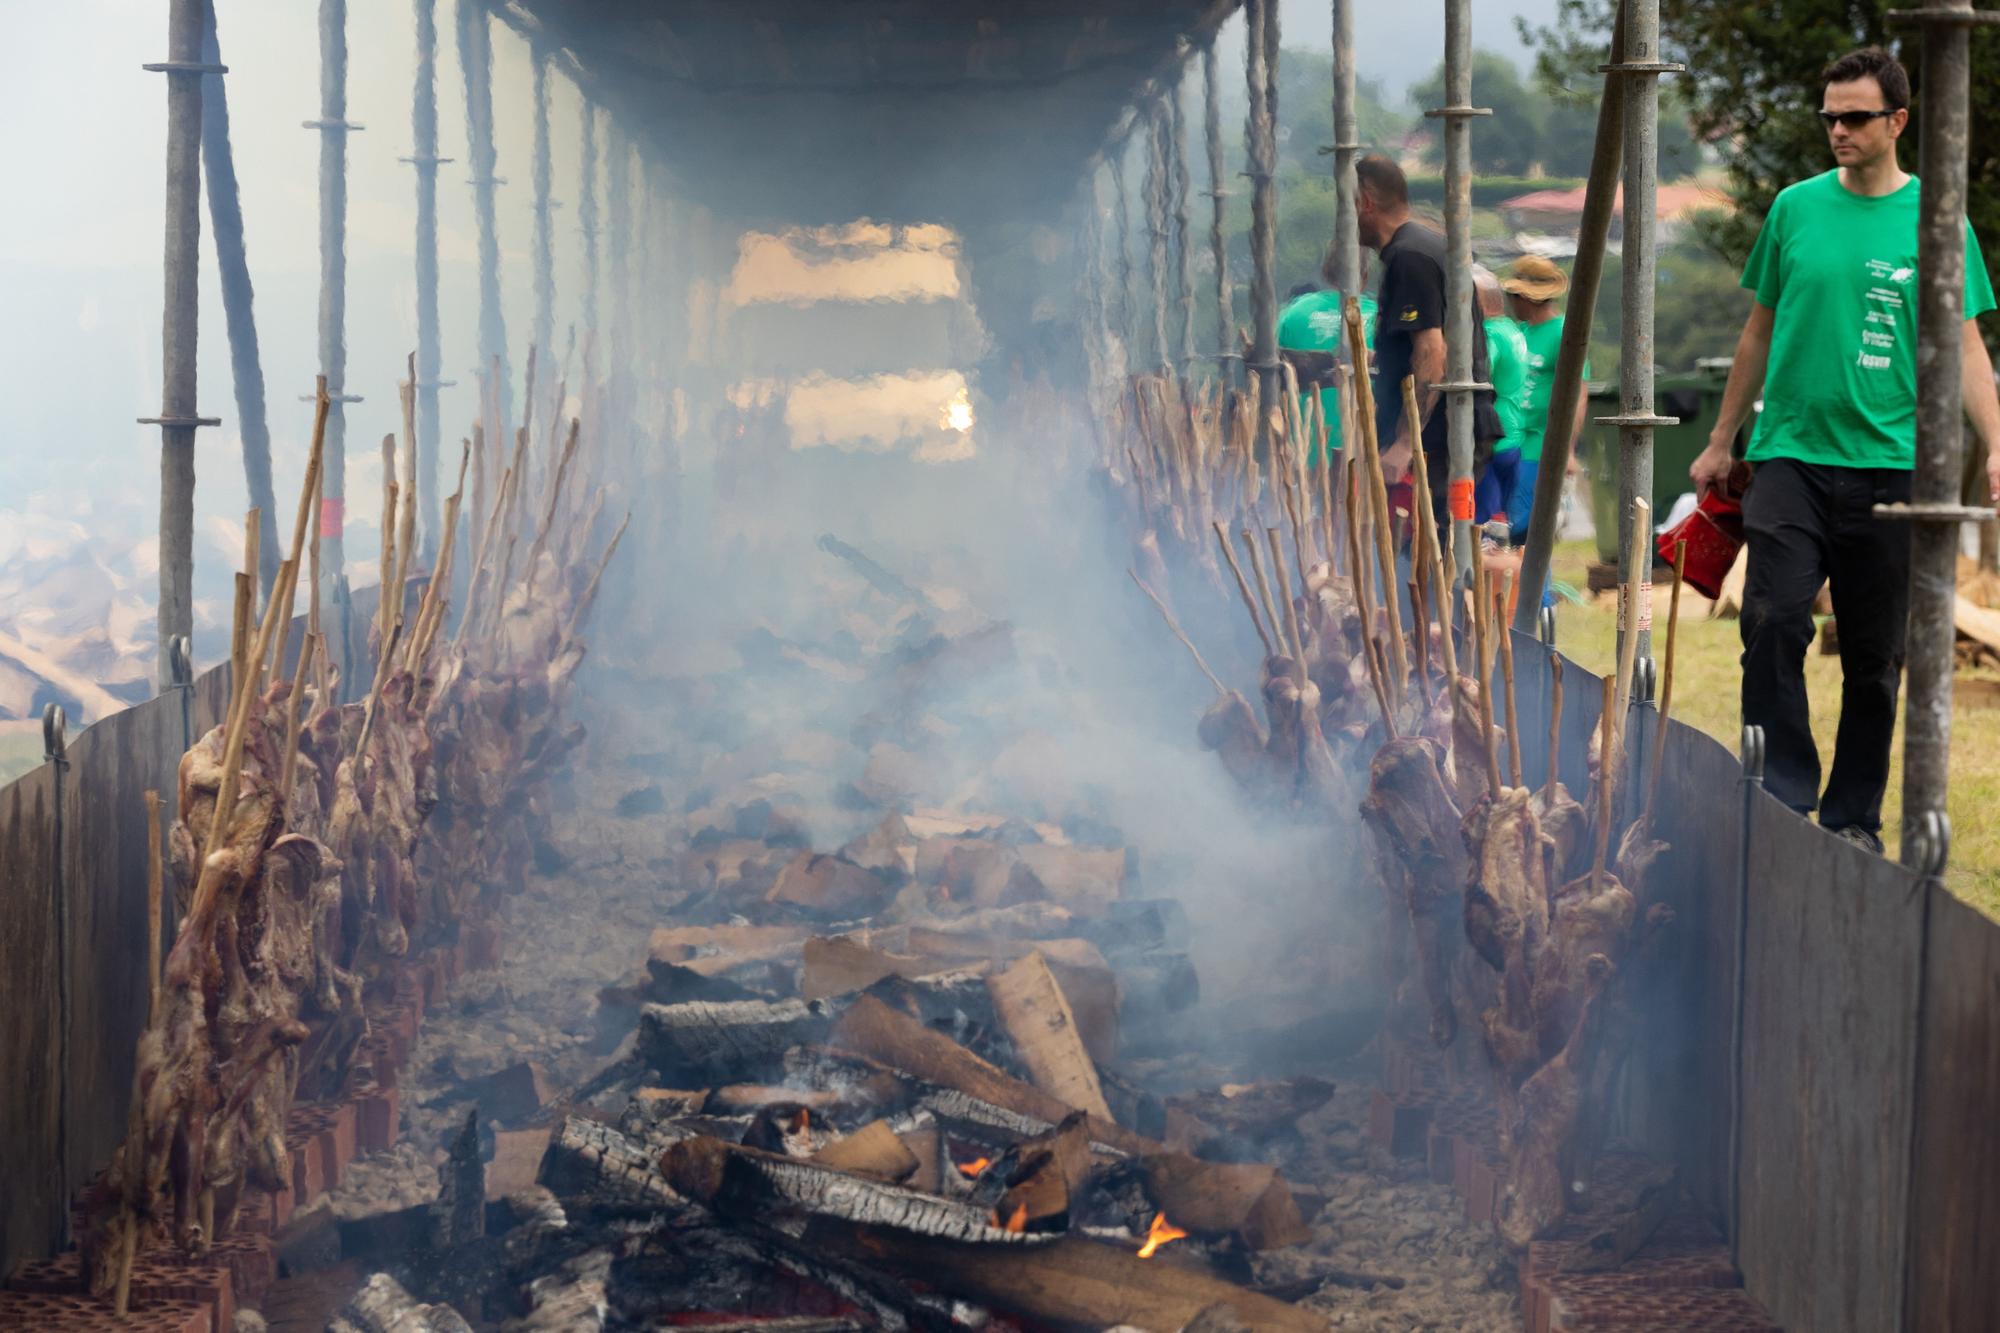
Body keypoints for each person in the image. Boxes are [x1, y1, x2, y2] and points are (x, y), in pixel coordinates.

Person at [1689, 46, 2000, 853]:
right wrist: (1724, 440)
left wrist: (1997, 442)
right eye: (1830, 116)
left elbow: (1964, 345)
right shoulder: (1794, 208)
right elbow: (1758, 328)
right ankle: (1786, 799)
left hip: (1894, 466)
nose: (1839, 130)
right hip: (1790, 453)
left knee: (1873, 658)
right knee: (1774, 618)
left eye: (1856, 116)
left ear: (1898, 121)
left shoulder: (1938, 220)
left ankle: (1852, 819)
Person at [1353, 154, 1504, 535]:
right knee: (1437, 549)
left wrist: (1406, 443)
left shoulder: (1410, 257)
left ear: (1364, 202)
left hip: (1436, 439)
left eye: (1345, 205)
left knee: (1428, 552)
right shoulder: (1419, 248)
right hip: (1447, 431)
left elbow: (1433, 351)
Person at [1502, 254, 1591, 544]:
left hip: (1541, 447)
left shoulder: (1564, 332)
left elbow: (1578, 395)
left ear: (1527, 297)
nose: (1511, 301)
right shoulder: (1519, 332)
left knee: (1529, 533)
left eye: (1515, 295)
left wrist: (1567, 449)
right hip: (1512, 443)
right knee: (1507, 531)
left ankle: (1538, 591)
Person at [1276, 253, 1377, 466]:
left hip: (1299, 452)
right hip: (1365, 456)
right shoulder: (1379, 316)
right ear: (1365, 276)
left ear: (1325, 272)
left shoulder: (1291, 314)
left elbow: (1266, 376)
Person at [1473, 265, 1530, 532]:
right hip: (1512, 435)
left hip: (1490, 440)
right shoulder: (1513, 330)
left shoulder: (1490, 334)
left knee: (1484, 527)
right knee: (1503, 523)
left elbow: (1481, 372)